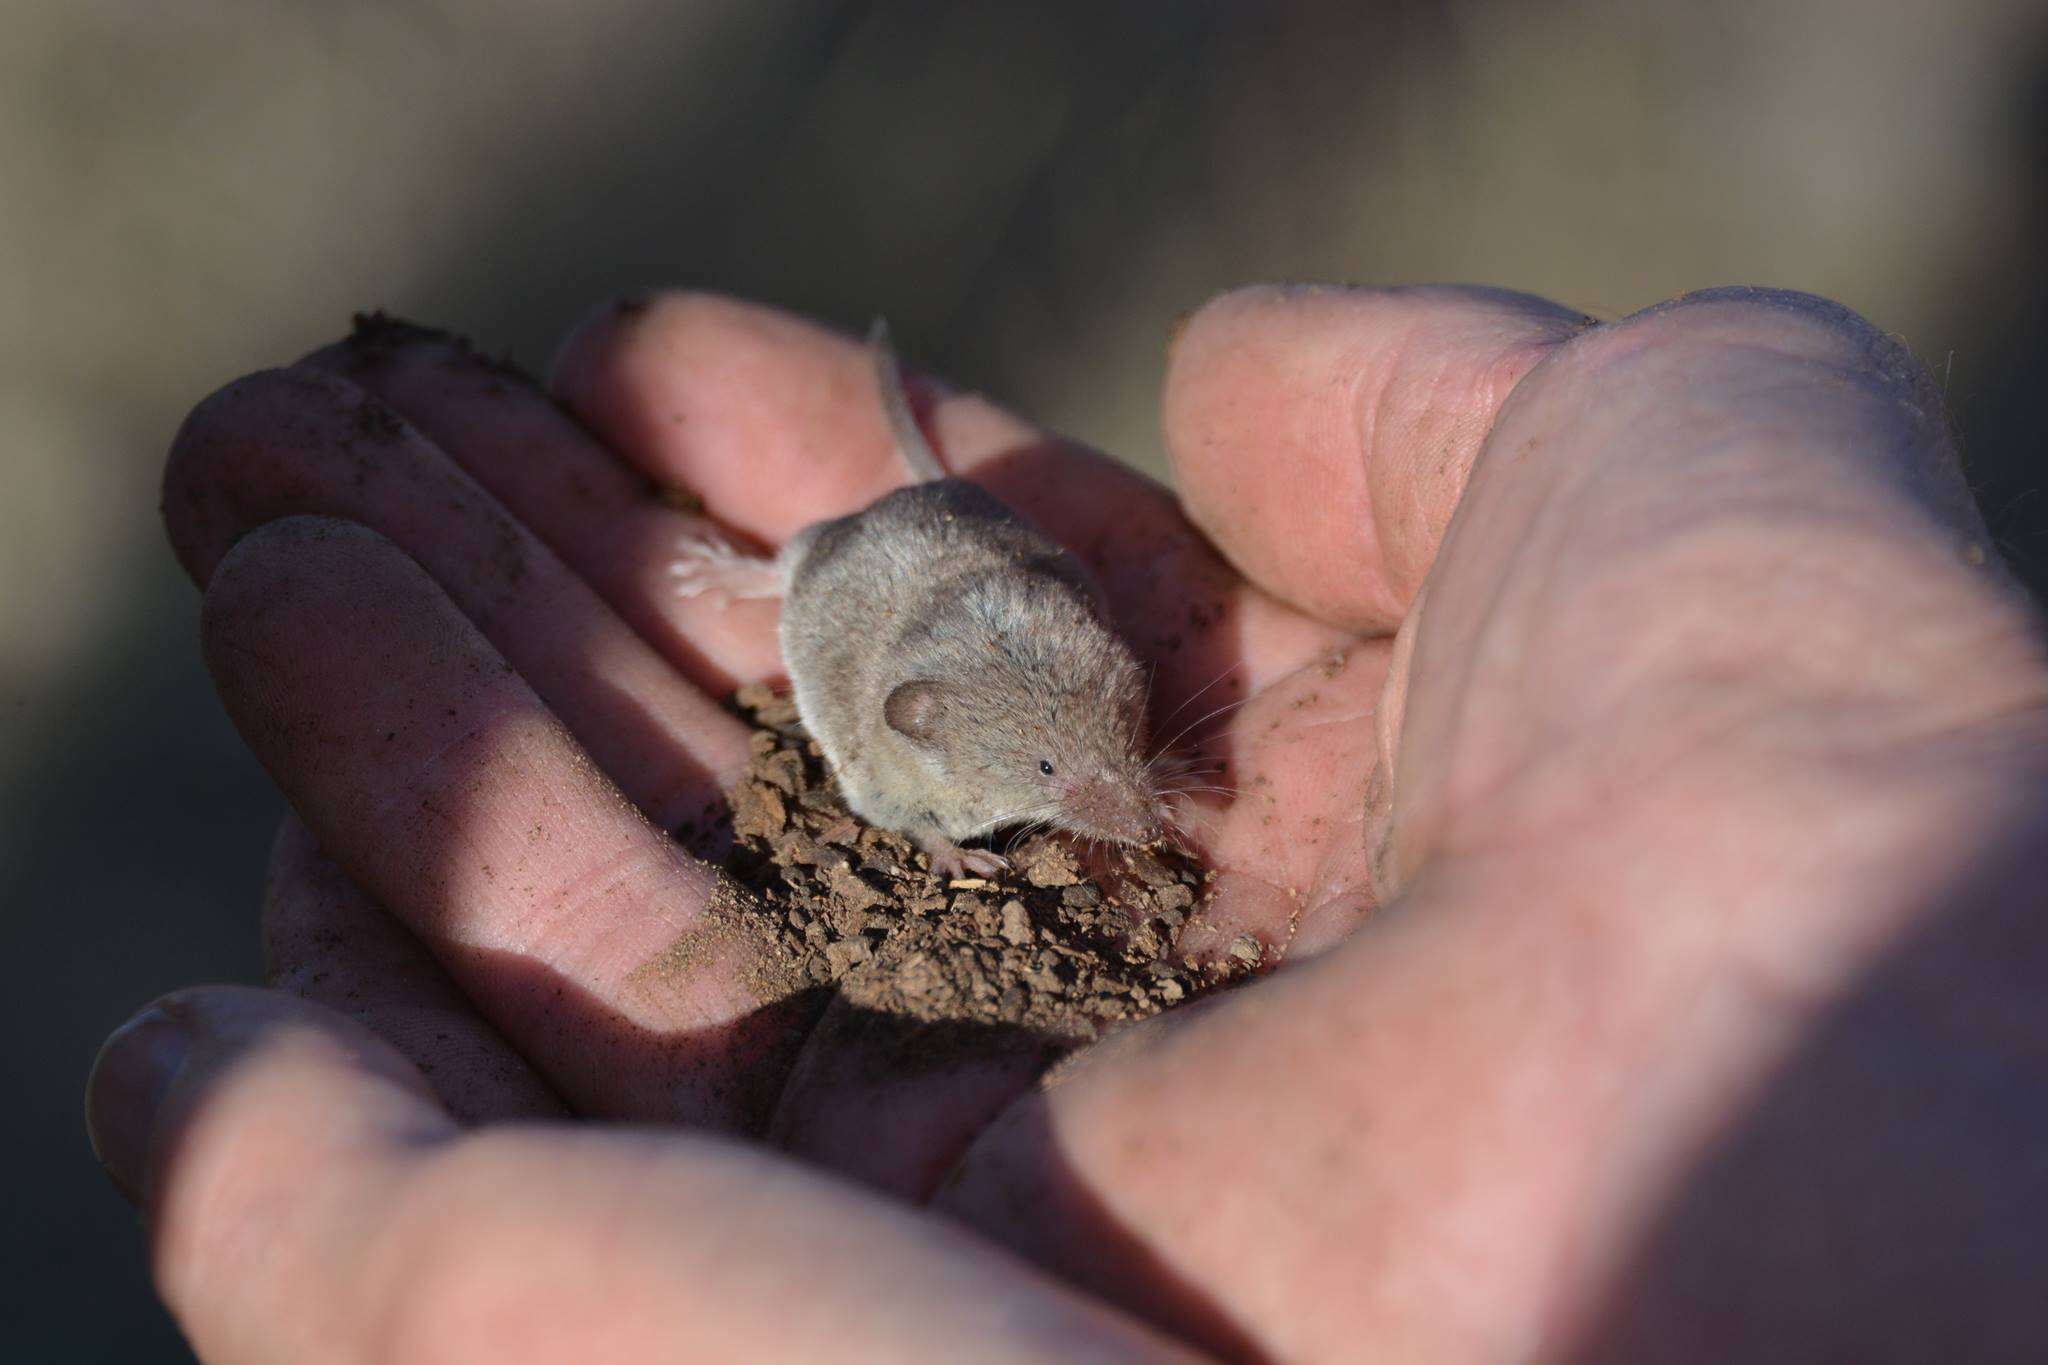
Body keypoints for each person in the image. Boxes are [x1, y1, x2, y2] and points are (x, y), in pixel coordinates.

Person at [87, 285, 2048, 1361]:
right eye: (1062, 783)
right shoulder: (900, 717)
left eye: (1114, 748)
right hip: (877, 611)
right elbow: (889, 759)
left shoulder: (1056, 647)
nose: (1117, 802)